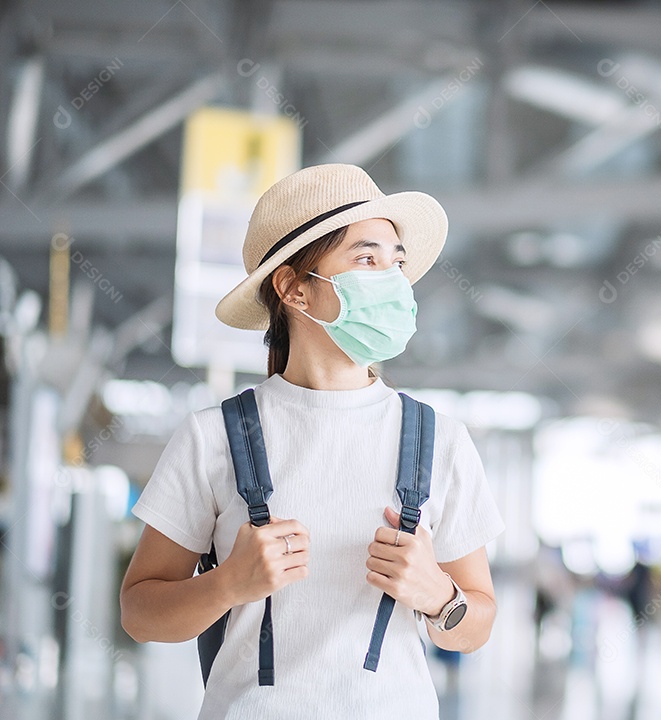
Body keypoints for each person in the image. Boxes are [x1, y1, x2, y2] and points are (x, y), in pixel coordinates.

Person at [119, 164, 504, 719]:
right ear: (294, 289)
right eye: (366, 259)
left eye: (396, 262)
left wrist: (440, 598)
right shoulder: (214, 437)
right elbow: (140, 612)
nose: (393, 279)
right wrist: (226, 586)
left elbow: (477, 627)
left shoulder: (439, 440)